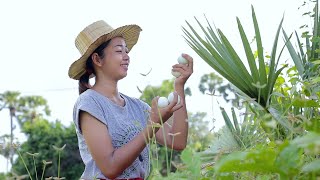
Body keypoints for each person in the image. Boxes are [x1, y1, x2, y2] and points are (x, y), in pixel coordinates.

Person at [68, 20, 193, 180]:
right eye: (119, 51)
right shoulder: (89, 103)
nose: (127, 57)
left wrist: (179, 85)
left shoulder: (137, 106)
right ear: (97, 59)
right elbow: (110, 168)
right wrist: (152, 125)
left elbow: (178, 141)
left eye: (127, 51)